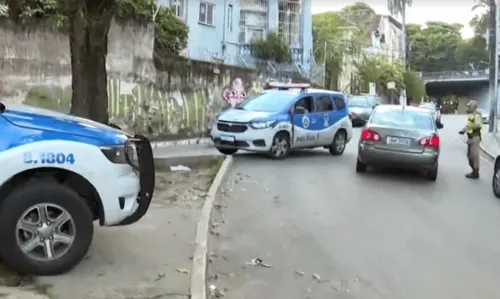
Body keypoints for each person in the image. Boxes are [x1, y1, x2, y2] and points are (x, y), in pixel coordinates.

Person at [458, 100, 483, 179]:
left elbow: (478, 125)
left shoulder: (477, 115)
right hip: (470, 137)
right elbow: (469, 124)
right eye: (468, 106)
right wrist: (464, 129)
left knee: (474, 156)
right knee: (469, 156)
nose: (468, 107)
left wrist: (468, 128)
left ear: (474, 107)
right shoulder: (470, 114)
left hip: (475, 137)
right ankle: (473, 171)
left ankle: (476, 172)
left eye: (470, 106)